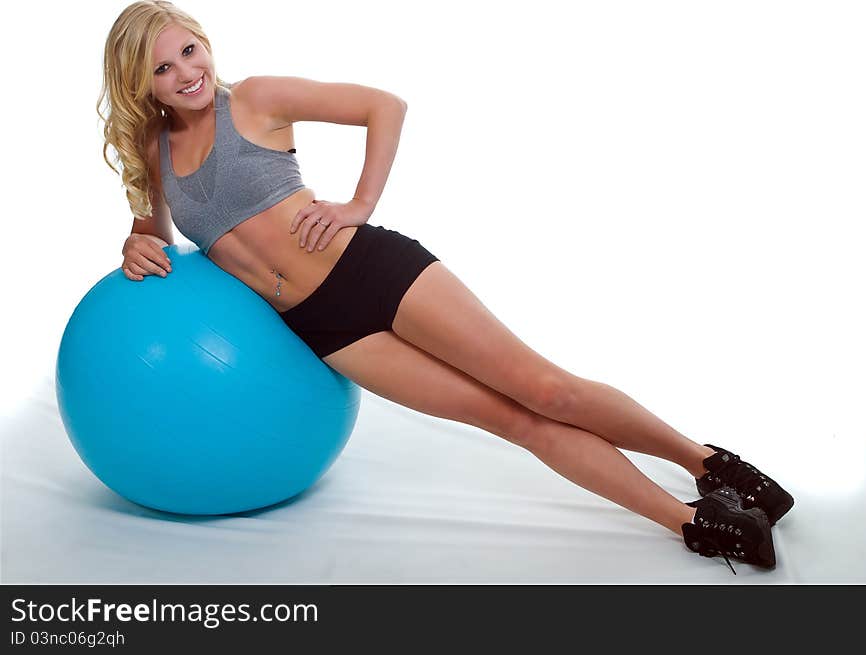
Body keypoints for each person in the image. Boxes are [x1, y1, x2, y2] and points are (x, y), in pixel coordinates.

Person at [99, 1, 793, 574]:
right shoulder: (152, 158)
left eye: (191, 50)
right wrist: (136, 241)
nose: (186, 71)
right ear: (140, 83)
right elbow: (154, 233)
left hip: (375, 271)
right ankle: (695, 525)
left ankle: (707, 462)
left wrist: (359, 203)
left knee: (548, 389)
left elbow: (384, 106)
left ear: (206, 45)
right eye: (163, 66)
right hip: (329, 330)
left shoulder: (254, 98)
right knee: (510, 420)